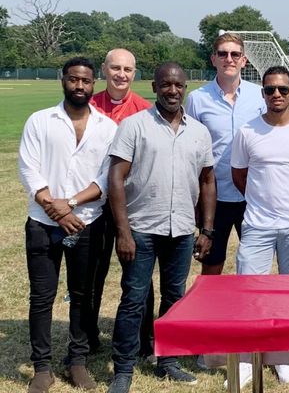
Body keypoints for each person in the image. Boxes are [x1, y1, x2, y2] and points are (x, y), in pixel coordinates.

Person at [107, 62, 215, 393]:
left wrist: (207, 230)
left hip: (181, 229)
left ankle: (167, 361)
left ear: (186, 88)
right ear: (154, 87)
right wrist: (123, 232)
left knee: (174, 297)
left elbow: (208, 181)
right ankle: (123, 369)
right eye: (166, 85)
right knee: (134, 299)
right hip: (141, 229)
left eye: (179, 85)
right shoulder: (134, 126)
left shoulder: (199, 131)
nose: (172, 90)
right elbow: (116, 178)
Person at [19, 57, 117, 393]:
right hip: (42, 223)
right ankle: (42, 367)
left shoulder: (107, 127)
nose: (80, 86)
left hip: (87, 222)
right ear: (63, 80)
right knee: (42, 297)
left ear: (94, 84)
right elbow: (29, 169)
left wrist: (71, 204)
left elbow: (106, 178)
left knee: (82, 295)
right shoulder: (40, 121)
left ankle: (77, 361)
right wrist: (57, 210)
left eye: (86, 81)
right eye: (74, 79)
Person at [229, 66, 289, 385]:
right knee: (249, 291)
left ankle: (284, 355)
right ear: (263, 93)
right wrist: (262, 202)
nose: (276, 95)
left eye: (282, 89)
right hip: (257, 224)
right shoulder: (248, 131)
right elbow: (239, 175)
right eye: (270, 90)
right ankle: (246, 358)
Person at [87, 48, 155, 360]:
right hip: (95, 205)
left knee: (139, 278)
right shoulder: (88, 106)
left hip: (133, 207)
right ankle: (87, 334)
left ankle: (145, 338)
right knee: (92, 273)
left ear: (135, 72)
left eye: (128, 69)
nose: (121, 74)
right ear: (104, 69)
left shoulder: (144, 110)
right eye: (115, 68)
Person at [186, 33, 267, 278]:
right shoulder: (197, 99)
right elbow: (191, 151)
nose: (229, 59)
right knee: (211, 264)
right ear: (213, 59)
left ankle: (252, 315)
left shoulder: (260, 96)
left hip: (251, 195)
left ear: (244, 60)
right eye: (223, 54)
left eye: (235, 54)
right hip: (214, 197)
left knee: (253, 267)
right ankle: (209, 315)